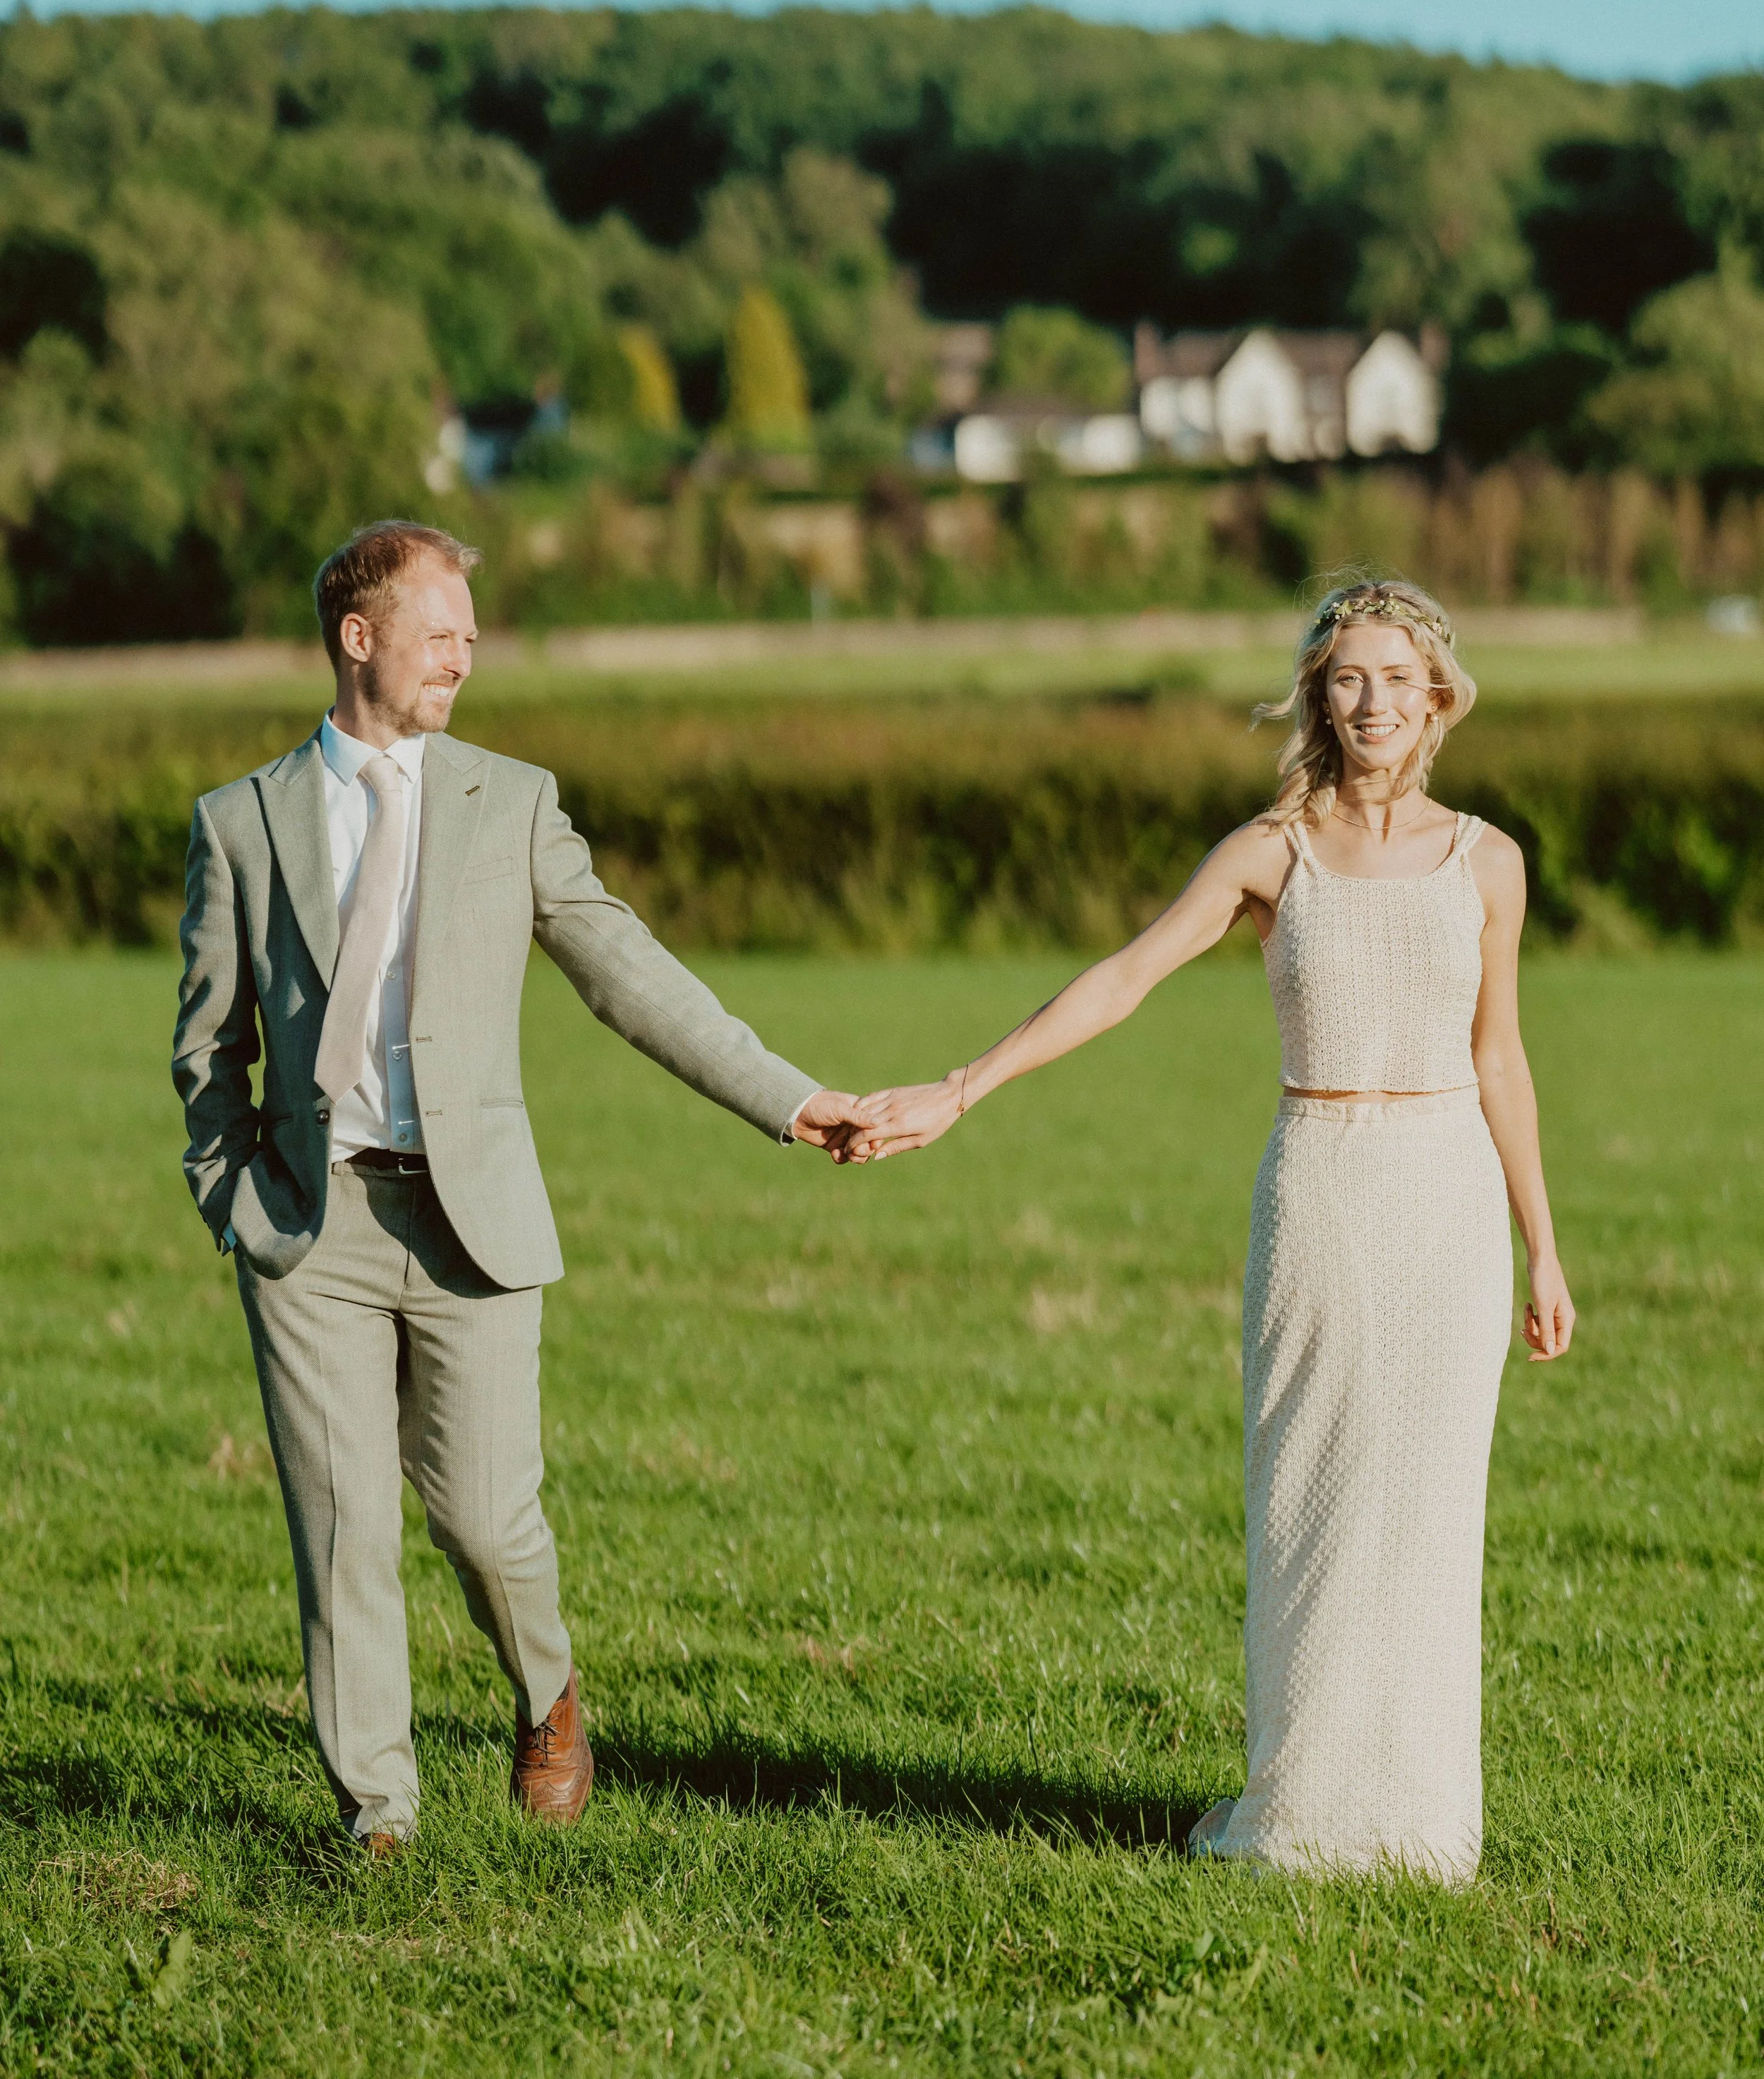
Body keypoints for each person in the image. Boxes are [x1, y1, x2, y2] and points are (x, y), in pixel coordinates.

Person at [849, 577, 1573, 1882]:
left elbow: (1502, 1056)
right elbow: (1121, 979)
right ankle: (1301, 1810)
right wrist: (960, 1087)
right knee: (1307, 1499)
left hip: (1447, 1204)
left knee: (1421, 1516)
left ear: (1439, 697)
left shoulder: (1489, 862)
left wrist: (1544, 1242)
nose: (1373, 704)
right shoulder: (1267, 853)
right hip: (1321, 1192)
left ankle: (1415, 1824)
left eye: (1398, 680)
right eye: (1349, 678)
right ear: (1318, 691)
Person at [172, 519, 859, 1855]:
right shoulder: (238, 824)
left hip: (470, 1216)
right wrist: (235, 1197)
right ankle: (380, 1807)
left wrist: (787, 1094)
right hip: (311, 1222)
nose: (466, 659)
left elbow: (630, 971)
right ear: (358, 639)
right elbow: (209, 1049)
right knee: (340, 1522)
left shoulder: (512, 800)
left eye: (472, 637)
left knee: (484, 1520)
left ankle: (547, 1696)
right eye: (443, 633)